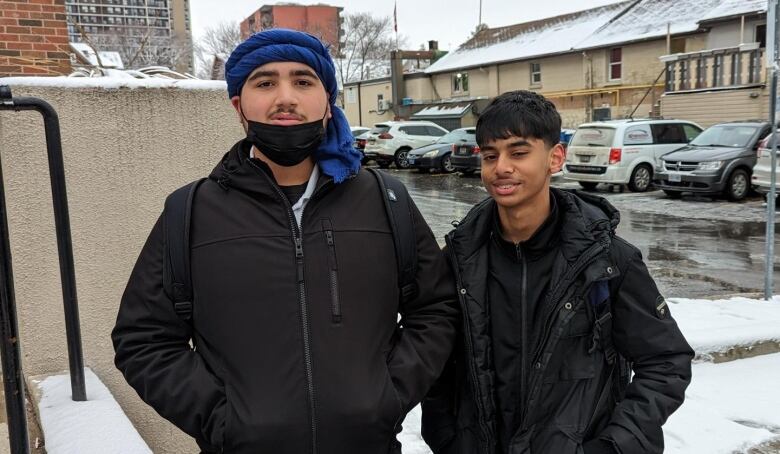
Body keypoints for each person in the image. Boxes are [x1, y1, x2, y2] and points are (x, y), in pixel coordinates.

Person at [112, 29, 458, 454]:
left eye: (303, 81)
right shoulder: (190, 212)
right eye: (264, 83)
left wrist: (386, 398)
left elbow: (435, 312)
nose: (285, 98)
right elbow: (143, 339)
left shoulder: (387, 202)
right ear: (238, 105)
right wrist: (226, 420)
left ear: (328, 103)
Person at [421, 90, 693, 454]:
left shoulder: (607, 261)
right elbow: (437, 363)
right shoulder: (457, 261)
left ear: (555, 157)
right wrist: (447, 437)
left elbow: (665, 361)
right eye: (490, 155)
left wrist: (615, 445)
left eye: (518, 153)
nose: (501, 167)